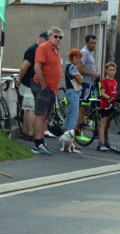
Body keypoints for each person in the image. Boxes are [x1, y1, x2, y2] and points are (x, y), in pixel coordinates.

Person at [30, 27, 64, 155]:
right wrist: (43, 84)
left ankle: (42, 142)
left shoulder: (56, 50)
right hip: (43, 87)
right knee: (40, 115)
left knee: (45, 116)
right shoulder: (43, 47)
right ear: (49, 36)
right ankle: (37, 144)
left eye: (60, 37)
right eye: (55, 36)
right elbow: (37, 66)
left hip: (52, 89)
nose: (58, 39)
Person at [15, 31, 48, 141]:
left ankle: (25, 131)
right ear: (41, 39)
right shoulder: (34, 50)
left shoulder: (36, 49)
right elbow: (25, 65)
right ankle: (29, 133)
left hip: (30, 83)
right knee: (31, 108)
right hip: (29, 83)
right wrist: (19, 78)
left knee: (28, 108)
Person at [77, 35, 102, 127]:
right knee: (82, 108)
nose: (93, 45)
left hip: (90, 84)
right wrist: (93, 74)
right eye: (91, 43)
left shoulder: (89, 53)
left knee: (86, 109)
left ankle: (79, 130)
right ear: (86, 43)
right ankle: (76, 131)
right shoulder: (84, 52)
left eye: (95, 43)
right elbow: (78, 69)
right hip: (85, 84)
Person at [62, 49, 83, 151]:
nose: (78, 60)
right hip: (73, 92)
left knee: (70, 115)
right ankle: (71, 139)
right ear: (71, 58)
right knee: (74, 117)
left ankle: (65, 134)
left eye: (79, 58)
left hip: (71, 92)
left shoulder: (69, 67)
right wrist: (80, 76)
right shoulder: (72, 67)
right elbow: (79, 80)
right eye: (76, 57)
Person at [97, 62, 118, 152]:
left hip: (112, 105)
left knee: (109, 125)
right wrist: (109, 98)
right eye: (110, 70)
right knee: (103, 124)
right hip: (105, 104)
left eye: (113, 70)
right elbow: (102, 93)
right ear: (106, 70)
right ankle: (100, 143)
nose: (112, 72)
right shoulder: (105, 80)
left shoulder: (115, 81)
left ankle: (106, 142)